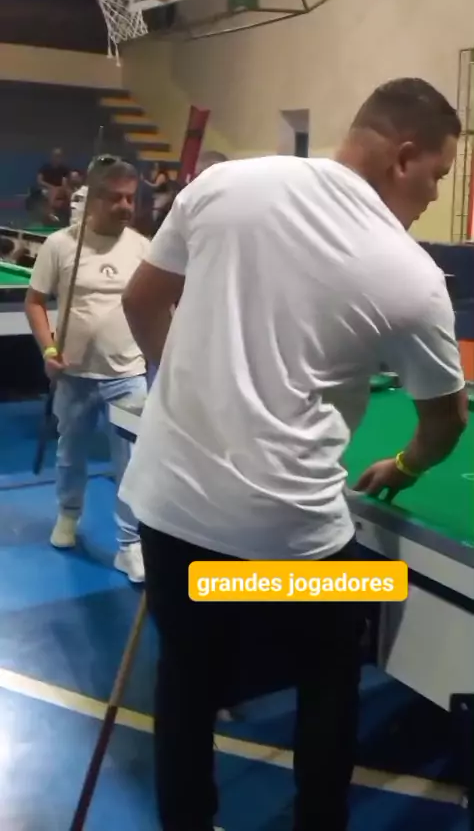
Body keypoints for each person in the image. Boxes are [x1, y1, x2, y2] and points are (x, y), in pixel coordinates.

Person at [119, 78, 467, 831]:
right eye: (438, 175)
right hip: (291, 544)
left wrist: (186, 385)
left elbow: (141, 302)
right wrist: (405, 467)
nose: (435, 195)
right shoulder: (410, 274)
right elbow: (446, 422)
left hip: (169, 514)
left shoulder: (224, 184)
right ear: (404, 157)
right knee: (332, 669)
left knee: (187, 680)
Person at [25, 156, 150, 584]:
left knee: (132, 463)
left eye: (130, 198)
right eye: (115, 198)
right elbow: (35, 301)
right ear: (93, 198)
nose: (124, 206)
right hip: (74, 374)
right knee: (70, 453)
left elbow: (156, 305)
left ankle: (130, 545)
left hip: (127, 374)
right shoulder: (61, 245)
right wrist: (48, 349)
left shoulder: (142, 247)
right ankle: (68, 514)